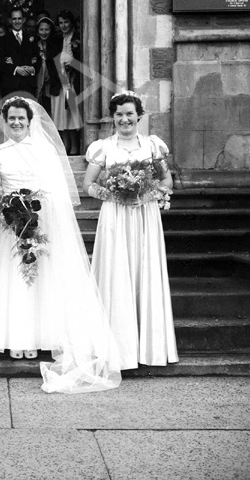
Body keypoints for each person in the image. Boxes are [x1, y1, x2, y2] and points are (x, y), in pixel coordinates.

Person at [0, 97, 121, 394]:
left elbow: (55, 191)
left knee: (40, 280)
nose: (16, 123)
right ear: (4, 121)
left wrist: (37, 215)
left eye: (21, 119)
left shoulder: (44, 151)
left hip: (40, 221)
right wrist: (3, 201)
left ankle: (39, 338)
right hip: (9, 224)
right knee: (12, 278)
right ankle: (15, 338)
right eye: (11, 119)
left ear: (30, 122)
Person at [83, 91, 178, 370]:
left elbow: (167, 180)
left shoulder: (151, 146)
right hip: (115, 216)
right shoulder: (103, 147)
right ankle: (118, 350)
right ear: (113, 118)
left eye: (129, 113)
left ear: (139, 115)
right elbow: (87, 183)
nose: (124, 119)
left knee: (143, 270)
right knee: (117, 273)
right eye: (119, 114)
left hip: (144, 215)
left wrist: (149, 194)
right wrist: (112, 194)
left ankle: (149, 349)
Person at [53, 10, 82, 154]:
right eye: (61, 23)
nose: (64, 25)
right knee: (60, 112)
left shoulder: (77, 37)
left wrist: (74, 66)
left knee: (72, 110)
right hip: (59, 78)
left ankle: (75, 144)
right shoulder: (57, 39)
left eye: (66, 22)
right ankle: (65, 143)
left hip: (72, 78)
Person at [0, 8, 38, 96]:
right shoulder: (2, 40)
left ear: (24, 20)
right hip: (10, 86)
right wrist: (16, 69)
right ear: (10, 20)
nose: (17, 21)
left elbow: (38, 59)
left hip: (28, 85)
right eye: (14, 19)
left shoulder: (32, 38)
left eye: (19, 18)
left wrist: (32, 69)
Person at [33, 16, 61, 116]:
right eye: (41, 29)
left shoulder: (56, 46)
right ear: (37, 31)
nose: (44, 32)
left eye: (47, 29)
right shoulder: (33, 45)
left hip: (52, 85)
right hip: (37, 85)